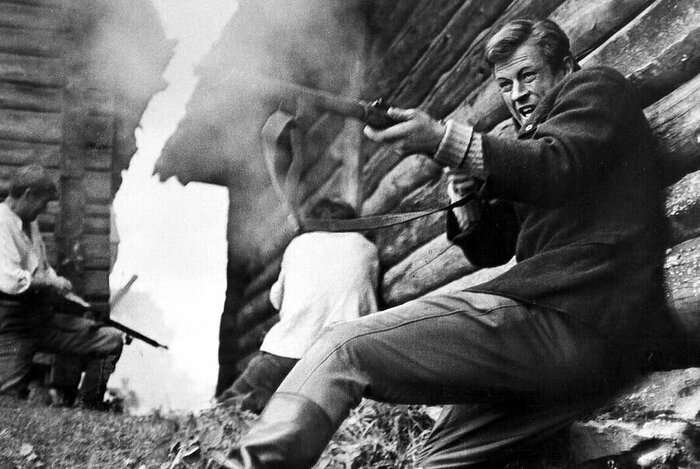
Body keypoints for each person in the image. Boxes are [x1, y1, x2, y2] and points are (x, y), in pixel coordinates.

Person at [224, 19, 670, 468]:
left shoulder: (595, 88)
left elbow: (557, 165)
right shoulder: (533, 146)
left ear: (566, 66)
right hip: (578, 353)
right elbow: (493, 248)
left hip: (574, 315)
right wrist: (465, 197)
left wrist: (445, 140)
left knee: (343, 347)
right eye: (505, 84)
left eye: (528, 75)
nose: (517, 94)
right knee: (438, 460)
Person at [218, 197, 379, 413]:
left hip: (287, 352)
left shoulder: (298, 245)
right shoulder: (367, 248)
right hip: (340, 358)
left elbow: (277, 299)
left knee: (227, 405)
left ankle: (257, 402)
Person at [0, 164, 123, 408]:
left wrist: (75, 302)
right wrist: (52, 282)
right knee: (8, 402)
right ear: (28, 195)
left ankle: (89, 405)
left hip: (42, 319)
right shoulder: (2, 223)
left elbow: (42, 268)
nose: (44, 209)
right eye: (43, 203)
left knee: (110, 340)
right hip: (12, 327)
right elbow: (11, 281)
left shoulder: (29, 223)